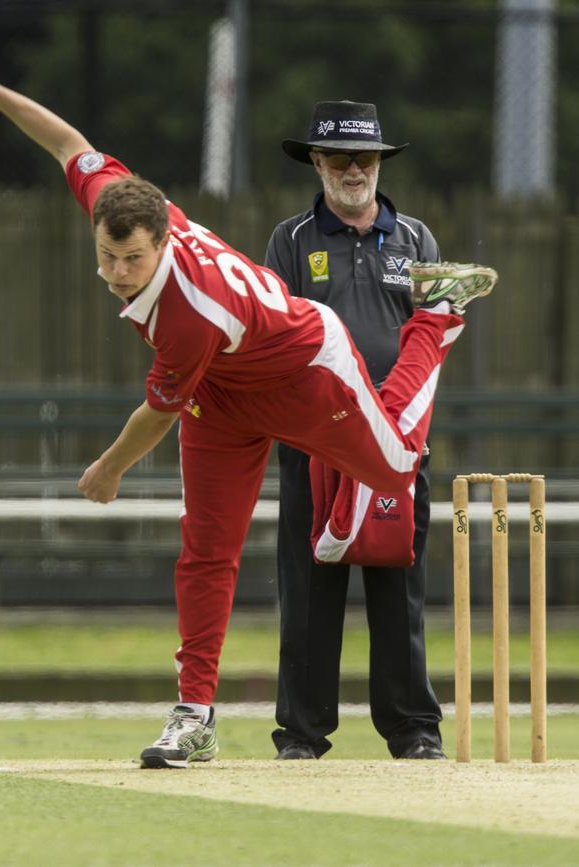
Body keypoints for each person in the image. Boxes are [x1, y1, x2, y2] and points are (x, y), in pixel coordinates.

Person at [0, 39, 496, 769]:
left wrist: (108, 470)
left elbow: (156, 412)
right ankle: (194, 715)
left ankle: (439, 314)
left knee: (396, 469)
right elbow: (66, 143)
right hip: (222, 398)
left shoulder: (187, 312)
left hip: (304, 371)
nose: (116, 274)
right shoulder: (119, 203)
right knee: (207, 549)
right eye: (106, 257)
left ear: (165, 238)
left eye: (132, 260)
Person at [265, 100, 450, 761]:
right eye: (339, 158)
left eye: (365, 158)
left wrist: (406, 427)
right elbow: (277, 339)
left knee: (398, 587)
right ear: (316, 162)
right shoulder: (291, 241)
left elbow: (432, 337)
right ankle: (302, 733)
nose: (353, 170)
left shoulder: (416, 239)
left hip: (397, 442)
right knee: (311, 590)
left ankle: (413, 729)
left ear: (379, 162)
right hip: (316, 439)